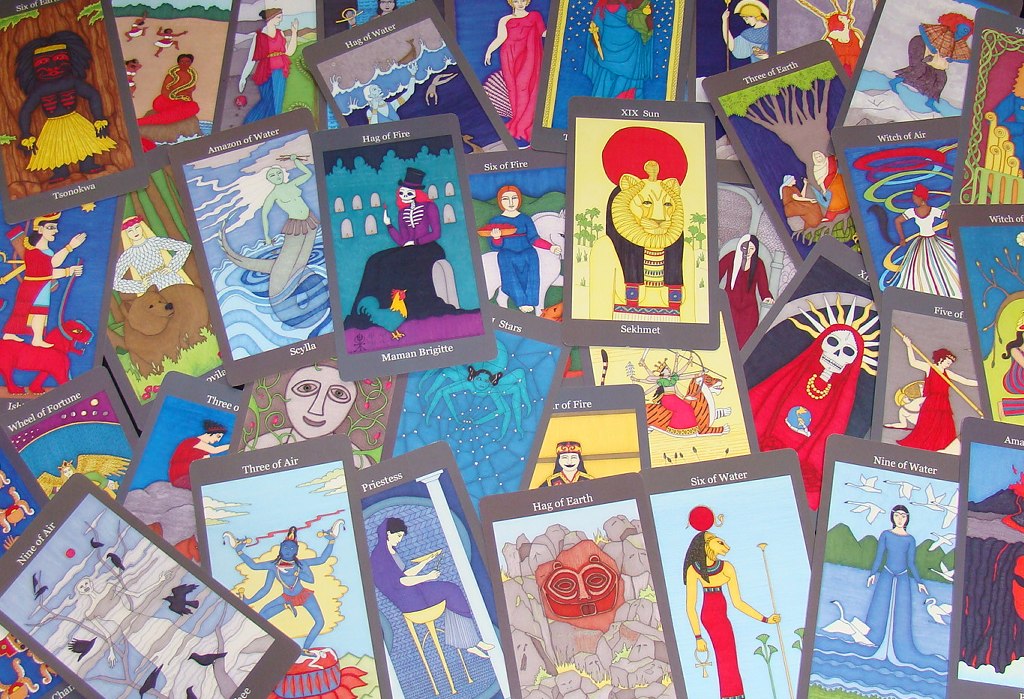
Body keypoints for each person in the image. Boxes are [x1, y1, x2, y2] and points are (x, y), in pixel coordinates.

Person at [748, 299, 875, 509]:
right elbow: (769, 396)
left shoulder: (840, 399)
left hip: (798, 460)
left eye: (847, 352)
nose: (837, 354)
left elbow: (832, 428)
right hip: (765, 444)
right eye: (833, 343)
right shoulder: (796, 374)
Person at [684, 505, 780, 699]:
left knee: (729, 657)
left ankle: (734, 694)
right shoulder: (694, 570)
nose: (726, 546)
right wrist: (698, 637)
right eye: (719, 542)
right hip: (710, 617)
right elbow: (690, 606)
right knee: (725, 657)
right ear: (707, 544)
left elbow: (738, 602)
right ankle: (733, 695)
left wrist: (765, 619)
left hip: (723, 616)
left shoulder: (727, 568)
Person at [369, 517, 494, 658]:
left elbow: (404, 574)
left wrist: (425, 562)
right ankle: (470, 643)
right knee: (452, 591)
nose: (400, 539)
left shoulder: (390, 551)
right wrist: (427, 577)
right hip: (409, 601)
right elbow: (400, 582)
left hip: (412, 592)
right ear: (388, 533)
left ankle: (471, 642)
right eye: (398, 536)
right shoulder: (380, 556)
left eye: (401, 536)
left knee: (452, 590)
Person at [230, 522, 343, 655]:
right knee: (262, 615)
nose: (288, 550)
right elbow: (260, 578)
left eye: (292, 548)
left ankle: (305, 649)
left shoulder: (301, 564)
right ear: (280, 548)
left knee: (320, 621)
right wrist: (239, 551)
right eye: (285, 547)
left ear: (296, 551)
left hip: (304, 595)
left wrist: (331, 541)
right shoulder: (274, 566)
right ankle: (284, 608)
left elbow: (320, 562)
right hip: (286, 597)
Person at [858, 506, 943, 669]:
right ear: (892, 517)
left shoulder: (910, 539)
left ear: (907, 518)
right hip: (887, 574)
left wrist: (919, 582)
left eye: (903, 516)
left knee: (902, 612)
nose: (900, 519)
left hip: (903, 577)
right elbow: (879, 556)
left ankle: (900, 647)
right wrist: (873, 573)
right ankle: (873, 640)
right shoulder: (886, 535)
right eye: (897, 515)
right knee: (879, 607)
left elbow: (911, 562)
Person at [2, 213, 85, 348]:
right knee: (24, 312)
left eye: (55, 227)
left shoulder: (47, 251)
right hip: (34, 287)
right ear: (40, 229)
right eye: (51, 227)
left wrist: (69, 267)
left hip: (41, 286)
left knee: (40, 312)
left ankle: (37, 338)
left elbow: (50, 267)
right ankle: (10, 334)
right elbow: (48, 270)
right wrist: (69, 252)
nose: (55, 231)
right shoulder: (34, 252)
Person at [893, 337, 976, 452]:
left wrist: (980, 383)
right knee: (929, 425)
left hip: (944, 403)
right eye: (948, 361)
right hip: (932, 401)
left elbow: (965, 381)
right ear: (941, 359)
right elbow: (913, 363)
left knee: (945, 426)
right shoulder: (930, 368)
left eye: (950, 363)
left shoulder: (947, 373)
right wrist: (908, 346)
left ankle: (944, 448)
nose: (949, 364)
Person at [487, 185, 561, 313]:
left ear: (519, 200)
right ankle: (521, 302)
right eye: (505, 199)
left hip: (527, 252)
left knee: (533, 267)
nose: (510, 202)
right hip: (507, 253)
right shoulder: (496, 221)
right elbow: (495, 246)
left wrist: (551, 247)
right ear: (500, 201)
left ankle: (530, 301)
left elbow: (534, 238)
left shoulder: (525, 218)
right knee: (507, 265)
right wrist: (497, 237)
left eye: (514, 198)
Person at [484, 0, 546, 142]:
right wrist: (489, 51)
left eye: (523, 0)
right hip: (509, 55)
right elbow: (501, 38)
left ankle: (526, 123)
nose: (520, 3)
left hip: (528, 55)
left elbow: (543, 33)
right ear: (511, 2)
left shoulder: (535, 16)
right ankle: (518, 118)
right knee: (513, 89)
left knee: (524, 86)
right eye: (516, 0)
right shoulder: (505, 19)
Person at [889, 14, 973, 113]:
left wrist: (953, 59)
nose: (964, 31)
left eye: (967, 31)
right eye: (963, 28)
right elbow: (922, 28)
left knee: (941, 79)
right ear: (957, 25)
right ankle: (894, 81)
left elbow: (969, 59)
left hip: (935, 60)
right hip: (921, 45)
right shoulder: (944, 30)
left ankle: (930, 102)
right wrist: (930, 46)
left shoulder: (960, 44)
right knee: (919, 69)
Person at [889, 184, 959, 297]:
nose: (914, 200)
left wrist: (948, 230)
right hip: (921, 242)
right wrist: (902, 238)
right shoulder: (913, 211)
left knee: (940, 265)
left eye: (915, 198)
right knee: (919, 268)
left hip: (933, 241)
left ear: (921, 198)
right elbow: (897, 221)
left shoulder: (932, 210)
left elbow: (952, 216)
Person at [583, 0, 655, 100]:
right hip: (609, 54)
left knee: (628, 87)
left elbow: (640, 25)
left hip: (630, 53)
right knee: (606, 85)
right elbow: (595, 31)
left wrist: (644, 15)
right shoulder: (602, 9)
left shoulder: (628, 7)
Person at [239, 8, 299, 124]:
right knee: (267, 101)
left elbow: (289, 52)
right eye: (278, 17)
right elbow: (251, 59)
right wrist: (243, 77)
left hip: (280, 71)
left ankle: (273, 126)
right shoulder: (259, 36)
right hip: (265, 72)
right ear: (270, 18)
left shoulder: (280, 33)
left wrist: (294, 33)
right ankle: (248, 123)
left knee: (278, 101)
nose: (280, 20)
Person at [112, 216, 193, 294]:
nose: (135, 232)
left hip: (169, 278)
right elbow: (114, 282)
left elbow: (185, 247)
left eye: (137, 227)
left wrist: (172, 267)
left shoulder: (154, 242)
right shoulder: (128, 254)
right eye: (130, 231)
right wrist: (140, 285)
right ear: (126, 234)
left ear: (141, 227)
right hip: (151, 288)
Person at [718, 233, 773, 347]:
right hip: (729, 304)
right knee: (725, 338)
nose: (747, 251)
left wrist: (767, 297)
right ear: (740, 246)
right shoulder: (731, 257)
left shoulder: (758, 263)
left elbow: (763, 288)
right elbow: (716, 275)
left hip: (749, 309)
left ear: (755, 250)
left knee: (745, 341)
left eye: (751, 248)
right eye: (745, 247)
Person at [136, 54, 200, 133]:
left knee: (194, 107)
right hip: (166, 101)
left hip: (182, 103)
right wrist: (176, 98)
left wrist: (184, 100)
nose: (184, 64)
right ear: (178, 62)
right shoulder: (171, 75)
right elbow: (164, 91)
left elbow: (189, 95)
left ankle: (144, 121)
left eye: (187, 61)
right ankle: (141, 122)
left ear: (191, 63)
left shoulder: (192, 76)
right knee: (170, 108)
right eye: (182, 61)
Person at [168, 420, 229, 490]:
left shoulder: (204, 450)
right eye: (218, 436)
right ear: (210, 433)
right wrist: (231, 446)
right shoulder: (193, 441)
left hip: (189, 477)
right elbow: (214, 450)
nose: (218, 440)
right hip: (180, 477)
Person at [810, 150, 850, 223]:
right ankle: (832, 214)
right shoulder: (816, 168)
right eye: (817, 157)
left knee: (844, 195)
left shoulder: (830, 160)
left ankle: (847, 208)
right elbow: (820, 181)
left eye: (819, 156)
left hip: (839, 181)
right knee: (833, 200)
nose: (819, 158)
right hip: (829, 185)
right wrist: (824, 190)